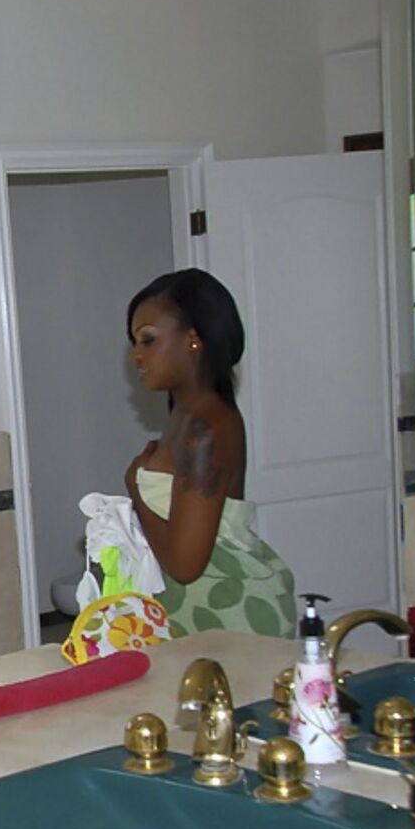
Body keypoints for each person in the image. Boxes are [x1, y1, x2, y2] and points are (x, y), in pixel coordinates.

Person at [121, 269, 296, 638]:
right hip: (203, 613)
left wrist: (135, 487)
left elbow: (185, 565)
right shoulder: (185, 416)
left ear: (193, 340)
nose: (137, 355)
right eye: (135, 342)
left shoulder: (204, 430)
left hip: (232, 614)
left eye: (148, 340)